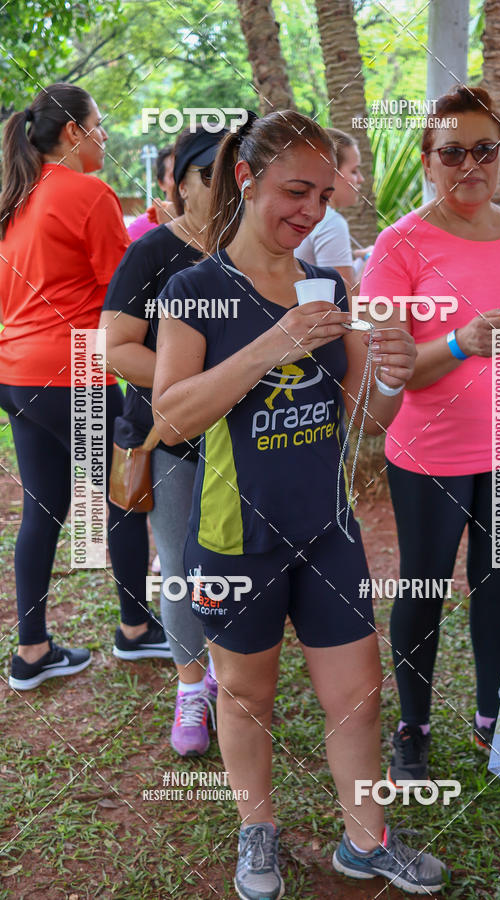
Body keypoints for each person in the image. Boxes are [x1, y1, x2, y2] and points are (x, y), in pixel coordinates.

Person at [152, 110, 448, 898]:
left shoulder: (329, 284)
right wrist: (270, 345)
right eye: (295, 191)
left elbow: (365, 422)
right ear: (247, 181)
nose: (311, 212)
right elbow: (170, 417)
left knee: (357, 695)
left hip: (326, 527)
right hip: (233, 531)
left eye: (323, 194)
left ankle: (365, 839)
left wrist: (389, 368)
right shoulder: (196, 288)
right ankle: (258, 832)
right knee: (246, 698)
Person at [360, 85, 500, 787]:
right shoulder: (399, 248)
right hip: (431, 455)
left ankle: (494, 718)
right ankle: (413, 727)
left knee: (498, 585)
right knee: (422, 589)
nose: (470, 165)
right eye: (452, 152)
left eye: (485, 150)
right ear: (428, 160)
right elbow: (391, 376)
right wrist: (457, 342)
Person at [0, 83, 170, 691]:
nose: (104, 135)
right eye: (99, 125)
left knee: (43, 509)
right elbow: (126, 292)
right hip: (76, 371)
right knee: (123, 495)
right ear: (73, 132)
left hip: (17, 374)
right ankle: (133, 631)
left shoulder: (16, 197)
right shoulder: (88, 192)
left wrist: (151, 226)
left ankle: (32, 650)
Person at [100, 125, 228, 756]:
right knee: (180, 569)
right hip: (176, 440)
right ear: (182, 184)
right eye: (214, 174)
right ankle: (190, 687)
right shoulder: (152, 252)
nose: (232, 184)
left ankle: (232, 685)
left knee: (240, 568)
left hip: (254, 443)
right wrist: (197, 382)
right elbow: (116, 347)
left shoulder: (261, 249)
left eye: (244, 173)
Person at [295, 128, 369, 290]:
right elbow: (343, 302)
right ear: (331, 173)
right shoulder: (330, 222)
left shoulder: (297, 214)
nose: (361, 179)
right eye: (354, 171)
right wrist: (371, 262)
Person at [127, 145, 176, 241]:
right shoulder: (144, 224)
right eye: (174, 175)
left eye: (186, 174)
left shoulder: (206, 224)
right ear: (161, 183)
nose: (182, 180)